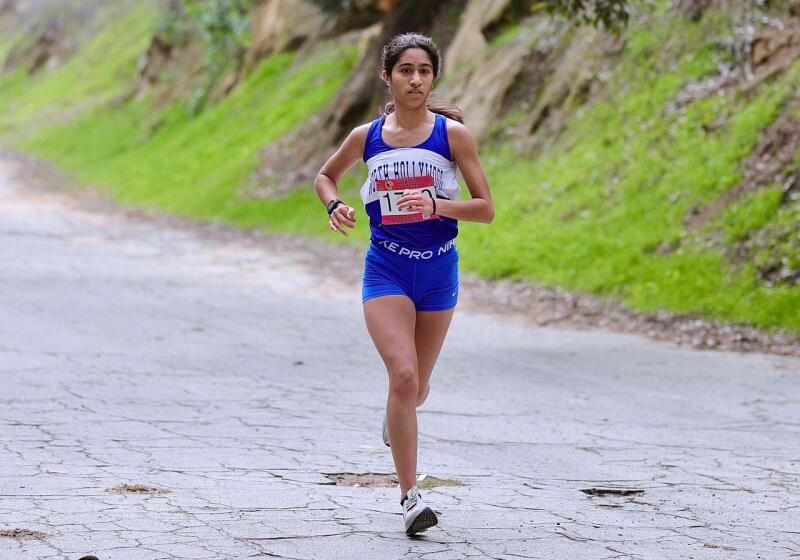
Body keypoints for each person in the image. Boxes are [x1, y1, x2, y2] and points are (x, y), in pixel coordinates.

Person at [313, 32, 494, 537]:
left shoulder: (452, 136)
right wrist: (335, 205)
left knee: (417, 388)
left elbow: (486, 209)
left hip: (438, 272)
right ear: (386, 77)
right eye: (405, 71)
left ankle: (397, 415)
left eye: (424, 71)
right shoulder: (365, 136)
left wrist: (438, 205)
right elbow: (325, 177)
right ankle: (411, 497)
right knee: (405, 376)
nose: (415, 80)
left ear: (433, 76)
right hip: (386, 269)